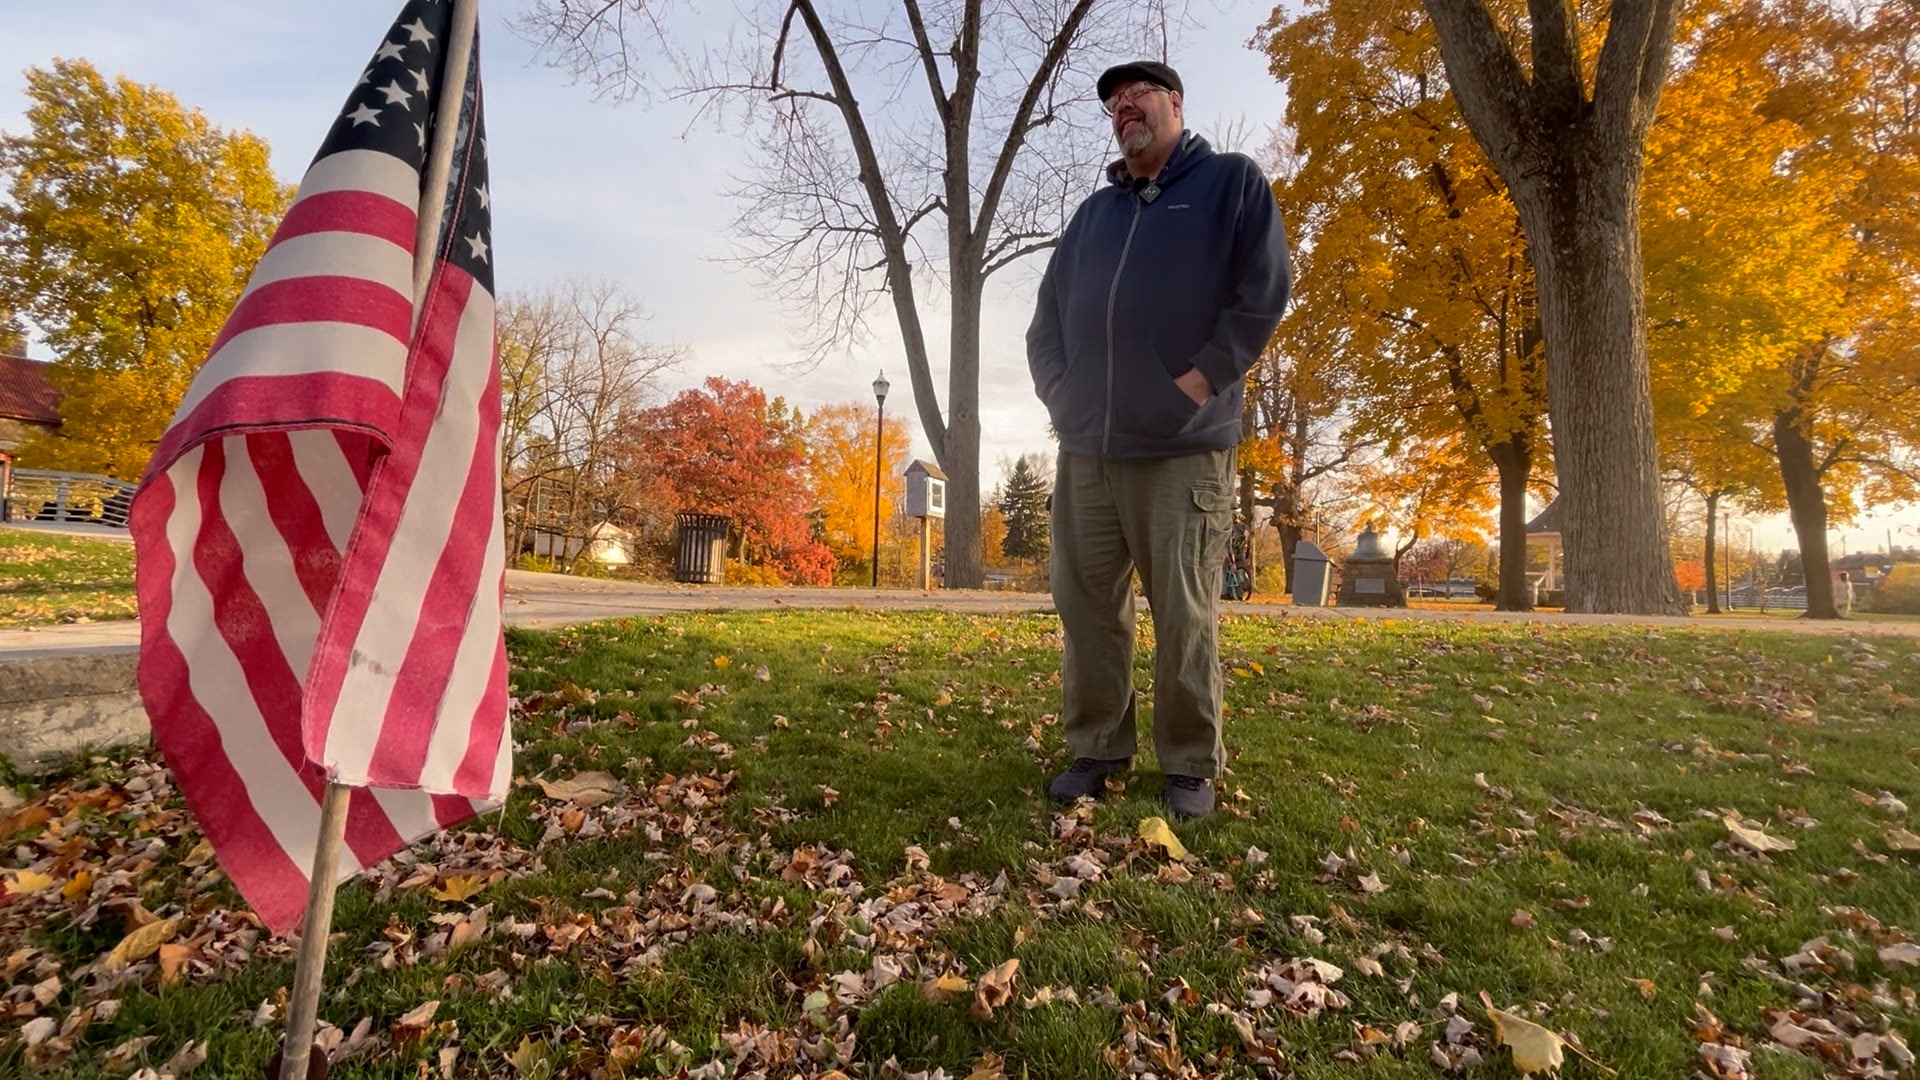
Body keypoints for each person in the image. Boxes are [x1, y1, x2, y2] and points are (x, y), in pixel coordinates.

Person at [1026, 60, 1291, 819]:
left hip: (1181, 445)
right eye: (1112, 102)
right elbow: (1046, 319)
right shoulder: (1093, 215)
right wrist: (1058, 392)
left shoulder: (1231, 184)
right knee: (1086, 608)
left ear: (1176, 100)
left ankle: (1188, 763)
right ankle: (1099, 748)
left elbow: (1265, 287)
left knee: (1184, 611)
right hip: (1088, 449)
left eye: (1136, 94)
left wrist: (1201, 381)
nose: (1122, 108)